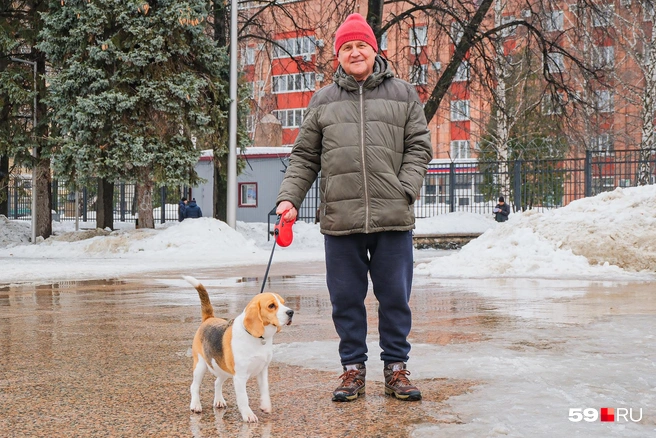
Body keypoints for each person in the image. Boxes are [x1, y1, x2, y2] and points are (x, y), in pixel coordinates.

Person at [275, 13, 432, 403]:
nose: (355, 51)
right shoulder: (324, 100)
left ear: (374, 49)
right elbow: (304, 156)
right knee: (345, 300)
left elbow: (419, 147)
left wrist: (405, 190)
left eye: (361, 44)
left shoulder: (402, 93)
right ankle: (352, 371)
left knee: (394, 297)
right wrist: (289, 198)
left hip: (392, 217)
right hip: (340, 220)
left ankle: (396, 369)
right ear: (338, 57)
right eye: (347, 47)